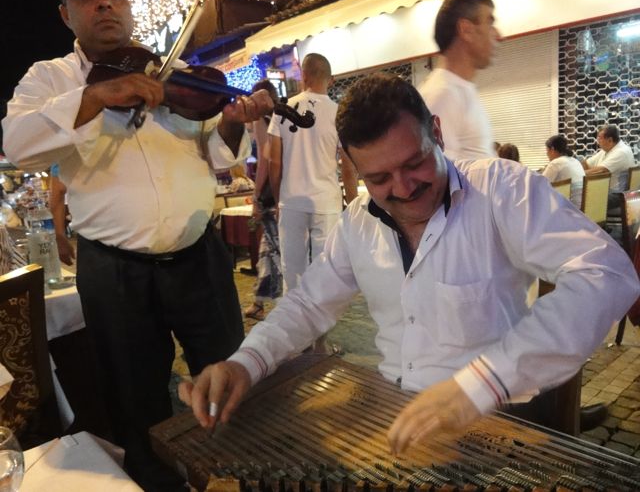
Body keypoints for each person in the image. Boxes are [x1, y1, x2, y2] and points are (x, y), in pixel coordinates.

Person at [179, 74, 639, 456]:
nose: (402, 189)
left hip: (497, 414)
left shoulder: (499, 188)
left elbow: (607, 273)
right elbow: (306, 305)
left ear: (436, 132)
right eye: (378, 177)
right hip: (392, 409)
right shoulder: (357, 222)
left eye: (416, 162)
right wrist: (245, 363)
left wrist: (483, 382)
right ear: (353, 166)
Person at [1, 0, 273, 490]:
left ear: (128, 6)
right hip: (115, 271)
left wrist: (232, 125)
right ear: (66, 14)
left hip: (199, 258)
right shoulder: (50, 79)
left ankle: (237, 473)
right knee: (136, 397)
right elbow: (17, 144)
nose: (106, 3)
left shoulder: (169, 75)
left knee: (229, 378)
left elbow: (216, 153)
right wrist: (96, 96)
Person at [268, 53, 358, 292]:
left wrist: (279, 198)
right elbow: (348, 166)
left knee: (292, 268)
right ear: (331, 80)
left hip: (292, 199)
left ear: (303, 75)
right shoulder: (339, 113)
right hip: (326, 201)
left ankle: (296, 324)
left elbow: (273, 161)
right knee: (325, 266)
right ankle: (320, 323)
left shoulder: (283, 108)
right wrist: (353, 204)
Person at [419, 0, 499, 160]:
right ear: (466, 30)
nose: (498, 34)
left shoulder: (459, 90)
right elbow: (443, 183)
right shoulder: (442, 95)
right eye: (490, 23)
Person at [244, 80, 282, 321]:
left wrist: (257, 197)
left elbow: (266, 162)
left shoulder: (262, 120)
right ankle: (259, 302)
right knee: (268, 248)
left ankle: (281, 307)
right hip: (286, 190)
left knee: (274, 250)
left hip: (271, 193)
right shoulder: (282, 115)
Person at [582, 125, 635, 208]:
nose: (597, 141)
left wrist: (576, 173)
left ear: (610, 140)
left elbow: (601, 171)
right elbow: (587, 163)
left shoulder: (621, 152)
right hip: (605, 190)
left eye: (600, 138)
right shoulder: (607, 149)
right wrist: (577, 168)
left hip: (617, 195)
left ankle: (590, 220)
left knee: (579, 200)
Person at [542, 135, 585, 208]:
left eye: (547, 150)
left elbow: (541, 185)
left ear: (552, 149)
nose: (547, 154)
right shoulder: (575, 161)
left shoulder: (555, 163)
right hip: (581, 207)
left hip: (567, 208)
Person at [49, 165, 75, 265]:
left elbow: (58, 193)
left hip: (94, 239)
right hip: (126, 231)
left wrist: (60, 237)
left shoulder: (66, 150)